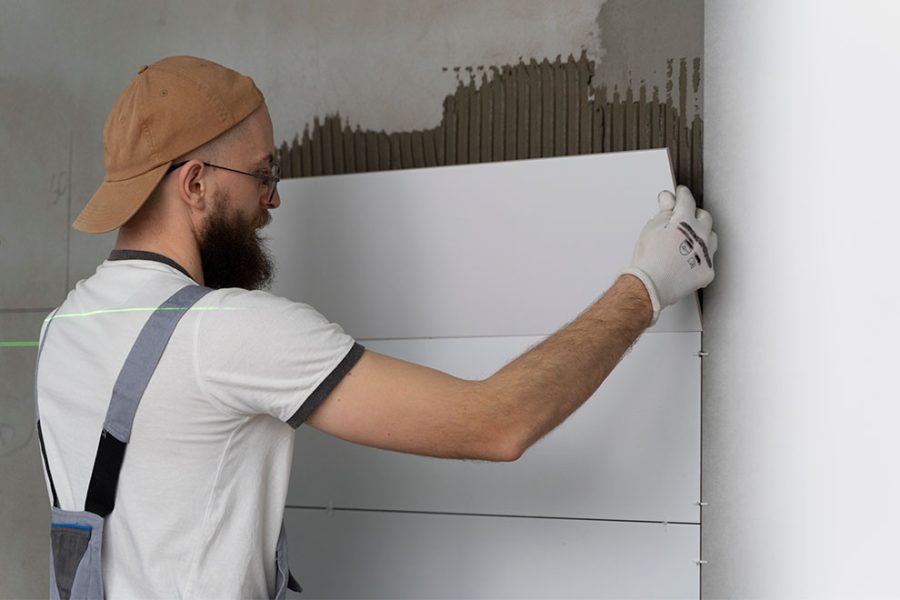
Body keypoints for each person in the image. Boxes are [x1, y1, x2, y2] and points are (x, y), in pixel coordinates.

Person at [34, 55, 717, 599]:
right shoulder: (226, 335)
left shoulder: (61, 332)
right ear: (194, 184)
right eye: (262, 174)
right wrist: (646, 287)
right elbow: (495, 424)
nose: (271, 201)